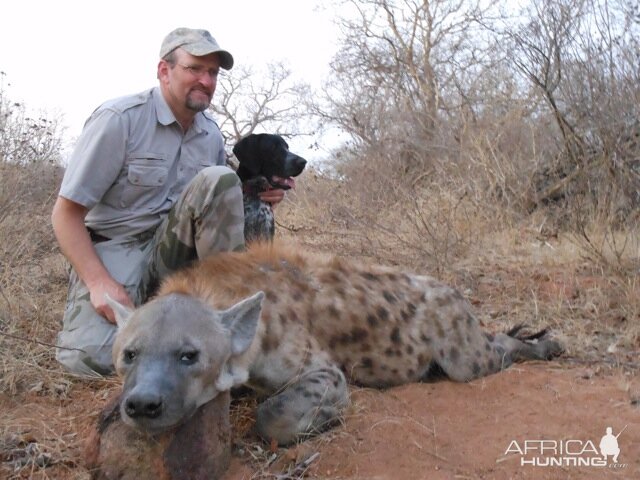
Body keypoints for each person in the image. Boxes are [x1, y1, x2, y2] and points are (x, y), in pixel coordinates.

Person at [51, 27, 286, 377]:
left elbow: (216, 203)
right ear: (164, 70)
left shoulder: (211, 135)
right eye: (194, 68)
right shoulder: (119, 120)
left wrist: (263, 196)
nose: (206, 81)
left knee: (220, 179)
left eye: (213, 73)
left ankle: (226, 321)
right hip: (119, 247)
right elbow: (66, 215)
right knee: (90, 362)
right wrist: (99, 282)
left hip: (175, 251)